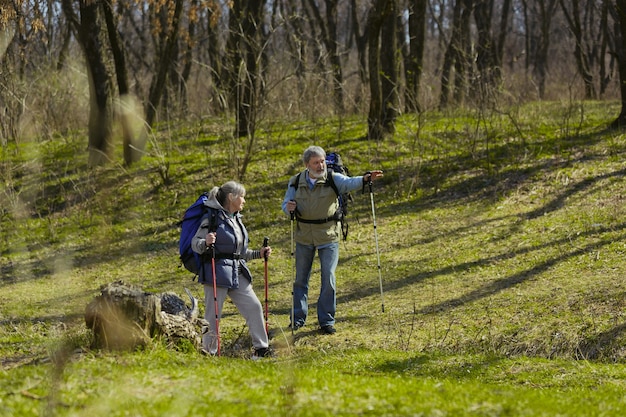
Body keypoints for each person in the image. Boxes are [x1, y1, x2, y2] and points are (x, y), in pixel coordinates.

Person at [282, 146, 383, 334]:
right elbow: (285, 203)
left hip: (328, 235)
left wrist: (366, 179)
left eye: (322, 161)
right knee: (300, 280)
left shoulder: (333, 178)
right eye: (316, 162)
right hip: (304, 236)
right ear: (307, 165)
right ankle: (297, 319)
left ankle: (326, 321)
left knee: (328, 277)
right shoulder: (295, 181)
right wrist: (288, 207)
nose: (320, 165)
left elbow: (350, 182)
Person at [192, 181, 272, 358]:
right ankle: (209, 352)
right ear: (231, 197)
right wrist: (205, 242)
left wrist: (259, 254)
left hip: (237, 272)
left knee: (254, 306)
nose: (244, 200)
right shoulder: (211, 218)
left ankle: (261, 349)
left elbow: (240, 253)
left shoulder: (236, 219)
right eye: (242, 196)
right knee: (213, 315)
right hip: (215, 272)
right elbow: (195, 244)